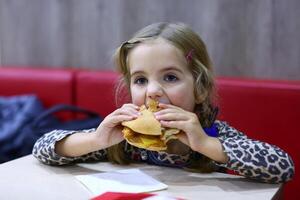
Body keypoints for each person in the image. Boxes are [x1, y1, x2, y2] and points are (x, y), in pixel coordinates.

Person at [32, 22, 294, 183]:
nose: (153, 92)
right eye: (141, 80)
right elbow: (41, 148)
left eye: (170, 77)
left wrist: (205, 144)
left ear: (200, 89)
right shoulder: (125, 141)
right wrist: (96, 141)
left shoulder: (215, 134)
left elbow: (282, 167)